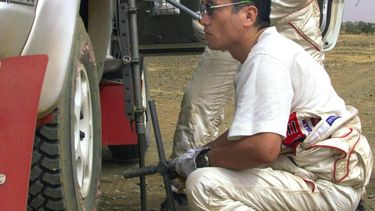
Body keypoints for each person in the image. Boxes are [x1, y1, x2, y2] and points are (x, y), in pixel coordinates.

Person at [170, 0, 373, 210]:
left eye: (211, 10)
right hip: (318, 172)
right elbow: (254, 130)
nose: (203, 20)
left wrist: (203, 160)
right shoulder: (266, 49)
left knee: (204, 185)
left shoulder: (265, 59)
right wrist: (199, 152)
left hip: (327, 186)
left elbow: (263, 149)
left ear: (248, 16)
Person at [171, 0, 324, 159]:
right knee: (199, 101)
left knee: (306, 111)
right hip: (231, 16)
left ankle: (310, 174)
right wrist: (215, 16)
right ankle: (184, 169)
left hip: (291, 17)